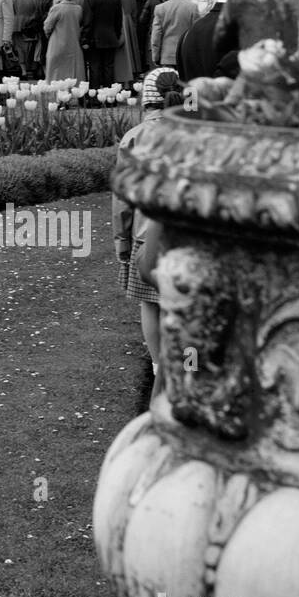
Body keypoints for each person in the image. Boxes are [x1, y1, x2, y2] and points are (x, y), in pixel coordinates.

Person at [114, 69, 184, 383]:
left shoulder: (135, 136)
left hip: (146, 235)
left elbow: (123, 199)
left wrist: (121, 242)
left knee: (150, 304)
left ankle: (158, 367)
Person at [81, 0, 124, 89]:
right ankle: (109, 96)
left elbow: (87, 20)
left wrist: (85, 39)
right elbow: (118, 19)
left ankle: (95, 97)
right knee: (108, 67)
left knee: (95, 67)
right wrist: (117, 34)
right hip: (110, 35)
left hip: (95, 37)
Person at [150, 0, 200, 67]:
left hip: (167, 56)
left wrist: (155, 56)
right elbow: (196, 32)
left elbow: (156, 36)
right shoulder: (193, 7)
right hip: (186, 54)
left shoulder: (160, 8)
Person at [43, 0, 87, 83]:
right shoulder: (78, 9)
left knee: (56, 73)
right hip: (74, 43)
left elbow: (47, 26)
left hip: (57, 43)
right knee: (72, 71)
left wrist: (48, 35)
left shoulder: (57, 8)